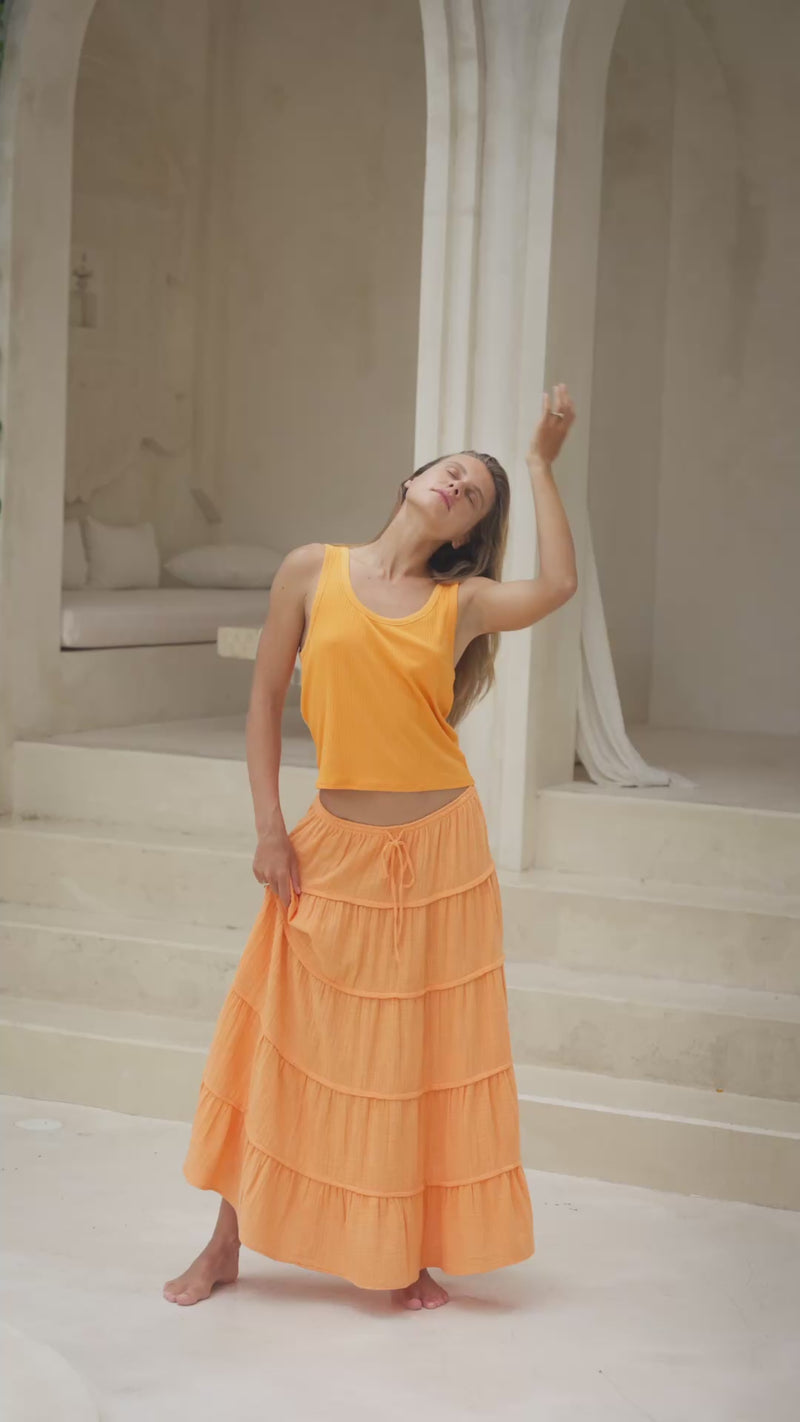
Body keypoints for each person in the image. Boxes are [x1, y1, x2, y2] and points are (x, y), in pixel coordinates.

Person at [164, 385, 577, 1311]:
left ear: (467, 535)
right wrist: (270, 826)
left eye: (474, 496)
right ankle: (226, 1242)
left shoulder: (460, 602)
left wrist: (540, 464)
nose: (459, 485)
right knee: (278, 1043)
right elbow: (266, 699)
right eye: (453, 471)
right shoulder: (312, 569)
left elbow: (556, 587)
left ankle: (402, 1251)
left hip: (441, 857)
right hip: (332, 850)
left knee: (414, 1058)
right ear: (414, 478)